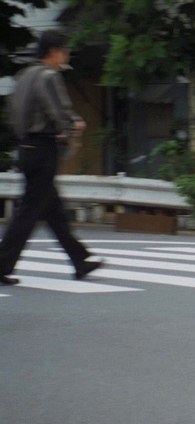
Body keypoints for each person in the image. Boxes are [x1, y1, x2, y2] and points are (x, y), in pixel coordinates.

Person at [0, 30, 103, 286]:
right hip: (44, 148)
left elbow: (14, 114)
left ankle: (80, 260)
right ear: (54, 52)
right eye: (65, 51)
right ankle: (2, 265)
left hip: (26, 146)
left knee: (53, 209)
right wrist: (71, 128)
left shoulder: (24, 76)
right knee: (29, 211)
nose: (66, 56)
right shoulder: (48, 76)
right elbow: (58, 111)